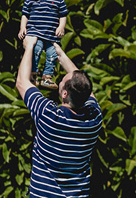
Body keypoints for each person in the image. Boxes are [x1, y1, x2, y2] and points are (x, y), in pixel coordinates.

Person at [16, 35, 103, 198]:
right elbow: (86, 89)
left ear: (64, 93)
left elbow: (22, 82)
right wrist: (60, 54)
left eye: (62, 80)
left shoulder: (49, 116)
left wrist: (29, 46)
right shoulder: (94, 119)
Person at [18, 0, 69, 88]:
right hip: (35, 34)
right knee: (36, 51)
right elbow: (25, 15)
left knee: (52, 54)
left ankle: (47, 77)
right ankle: (33, 74)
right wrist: (22, 27)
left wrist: (61, 27)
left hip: (51, 35)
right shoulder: (30, 1)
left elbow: (63, 15)